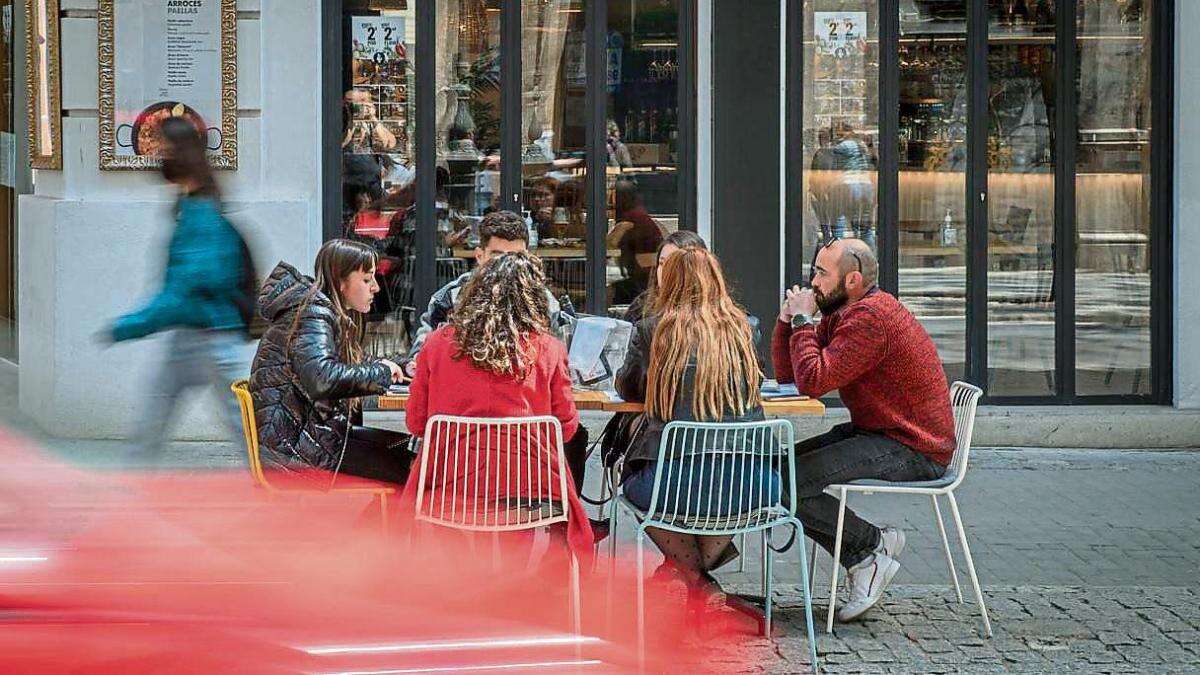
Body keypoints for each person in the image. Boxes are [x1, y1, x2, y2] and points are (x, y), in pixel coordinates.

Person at [772, 237, 955, 623]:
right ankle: (873, 544)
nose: (812, 281)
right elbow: (791, 373)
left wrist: (804, 321)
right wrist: (788, 320)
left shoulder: (870, 319)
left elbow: (813, 381)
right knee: (774, 472)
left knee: (785, 483)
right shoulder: (846, 312)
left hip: (914, 446)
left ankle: (867, 553)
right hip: (880, 432)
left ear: (852, 279)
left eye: (821, 273)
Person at [615, 248, 778, 626]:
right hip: (752, 485)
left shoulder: (653, 330)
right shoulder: (745, 327)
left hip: (670, 485)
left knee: (632, 487)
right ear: (719, 282)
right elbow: (759, 379)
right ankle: (701, 583)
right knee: (723, 494)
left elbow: (629, 389)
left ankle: (695, 580)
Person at [402, 253, 594, 554]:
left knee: (454, 521)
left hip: (452, 487)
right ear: (533, 299)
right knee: (517, 511)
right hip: (528, 489)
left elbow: (415, 423)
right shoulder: (548, 349)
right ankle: (508, 592)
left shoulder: (437, 344)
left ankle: (465, 588)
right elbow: (566, 429)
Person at [402, 210, 589, 492]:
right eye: (499, 257)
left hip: (452, 484)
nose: (508, 267)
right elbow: (563, 421)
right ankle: (558, 525)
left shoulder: (546, 307)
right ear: (480, 255)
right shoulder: (447, 301)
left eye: (517, 258)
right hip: (524, 485)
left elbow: (417, 419)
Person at [102, 117, 247, 460]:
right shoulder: (192, 208)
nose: (158, 156)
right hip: (195, 335)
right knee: (153, 425)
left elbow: (184, 290)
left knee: (243, 430)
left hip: (209, 336)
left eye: (164, 149)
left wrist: (131, 325)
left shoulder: (200, 217)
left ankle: (279, 492)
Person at [250, 239, 411, 485]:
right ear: (341, 281)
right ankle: (376, 524)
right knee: (413, 466)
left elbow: (345, 363)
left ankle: (373, 523)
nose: (376, 288)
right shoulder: (312, 314)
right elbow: (322, 378)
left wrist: (400, 364)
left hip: (305, 436)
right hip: (296, 449)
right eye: (367, 279)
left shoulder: (316, 310)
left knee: (405, 448)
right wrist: (380, 373)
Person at [607, 180, 665, 305]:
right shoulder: (636, 214)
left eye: (612, 197)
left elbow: (609, 245)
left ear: (623, 198)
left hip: (645, 279)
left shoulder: (634, 217)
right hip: (639, 274)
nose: (610, 203)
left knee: (608, 291)